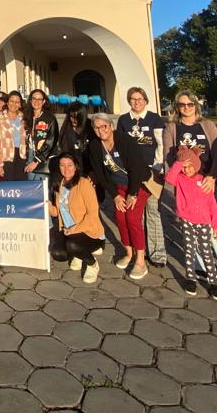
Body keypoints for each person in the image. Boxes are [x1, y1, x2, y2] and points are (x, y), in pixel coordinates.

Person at [165, 90, 217, 291]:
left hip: (209, 182)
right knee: (192, 229)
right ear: (177, 107)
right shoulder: (172, 128)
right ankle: (200, 267)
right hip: (187, 185)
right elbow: (169, 156)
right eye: (182, 104)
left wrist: (211, 176)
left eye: (190, 104)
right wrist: (182, 173)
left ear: (196, 105)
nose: (186, 108)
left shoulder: (207, 125)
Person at [87, 112, 150, 279]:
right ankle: (129, 253)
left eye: (104, 126)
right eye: (96, 128)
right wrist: (115, 195)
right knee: (120, 218)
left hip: (138, 185)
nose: (101, 130)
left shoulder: (125, 141)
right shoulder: (94, 146)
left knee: (132, 218)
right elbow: (100, 174)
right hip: (119, 187)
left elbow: (137, 168)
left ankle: (141, 260)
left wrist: (133, 193)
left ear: (111, 126)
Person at [166, 146, 217, 300]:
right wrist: (179, 164)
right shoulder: (179, 179)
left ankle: (213, 282)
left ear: (197, 165)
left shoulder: (203, 181)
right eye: (185, 167)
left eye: (190, 166)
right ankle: (190, 278)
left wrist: (216, 224)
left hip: (203, 222)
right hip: (187, 220)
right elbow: (169, 178)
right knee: (189, 250)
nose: (187, 170)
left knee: (207, 252)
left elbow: (212, 205)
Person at [117, 87, 166, 268]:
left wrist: (157, 168)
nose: (136, 102)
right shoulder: (124, 120)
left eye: (140, 99)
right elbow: (120, 146)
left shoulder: (155, 119)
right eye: (133, 99)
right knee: (136, 215)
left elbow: (161, 144)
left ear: (145, 100)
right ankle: (140, 250)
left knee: (152, 212)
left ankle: (157, 253)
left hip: (151, 173)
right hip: (131, 174)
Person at [48, 153, 105, 284]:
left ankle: (92, 264)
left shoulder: (84, 183)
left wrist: (74, 229)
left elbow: (92, 214)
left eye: (70, 165)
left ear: (76, 167)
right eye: (62, 165)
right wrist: (49, 207)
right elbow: (58, 212)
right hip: (68, 230)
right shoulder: (59, 184)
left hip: (88, 231)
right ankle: (79, 253)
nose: (66, 169)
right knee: (57, 253)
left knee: (72, 245)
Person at [0, 91, 29, 180]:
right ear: (7, 102)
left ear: (20, 104)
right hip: (6, 158)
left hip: (21, 157)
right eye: (11, 101)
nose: (14, 104)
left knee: (21, 186)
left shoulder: (24, 118)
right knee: (8, 186)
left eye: (17, 102)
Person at [25, 89, 58, 180]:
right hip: (30, 155)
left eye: (39, 99)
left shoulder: (50, 118)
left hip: (44, 158)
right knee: (31, 186)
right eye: (34, 98)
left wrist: (37, 160)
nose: (36, 101)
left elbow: (51, 141)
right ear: (30, 100)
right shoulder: (26, 117)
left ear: (43, 101)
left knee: (41, 186)